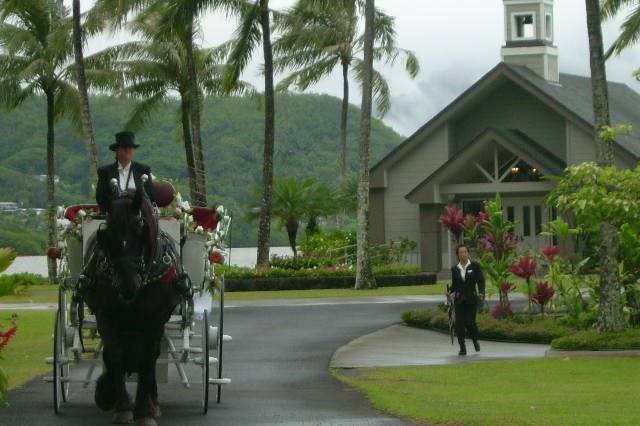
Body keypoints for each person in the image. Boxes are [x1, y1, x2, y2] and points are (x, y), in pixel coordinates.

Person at [96, 131, 154, 212]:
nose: (127, 150)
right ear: (117, 150)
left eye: (130, 147)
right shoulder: (105, 172)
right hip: (114, 215)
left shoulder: (143, 170)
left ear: (134, 150)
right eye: (124, 147)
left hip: (139, 216)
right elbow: (100, 197)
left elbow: (150, 195)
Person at [449, 244, 485, 356]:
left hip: (471, 299)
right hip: (459, 301)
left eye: (465, 252)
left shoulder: (475, 266)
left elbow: (481, 281)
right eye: (461, 252)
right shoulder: (455, 269)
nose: (463, 254)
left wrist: (481, 292)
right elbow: (455, 284)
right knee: (459, 325)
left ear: (468, 253)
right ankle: (462, 347)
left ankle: (475, 340)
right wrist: (449, 292)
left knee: (470, 323)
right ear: (457, 255)